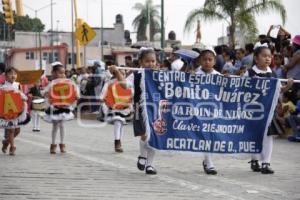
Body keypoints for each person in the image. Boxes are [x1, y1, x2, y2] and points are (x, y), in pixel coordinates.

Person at [244, 45, 293, 174]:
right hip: (253, 110)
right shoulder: (249, 73)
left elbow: (279, 90)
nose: (268, 59)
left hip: (269, 110)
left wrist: (288, 86)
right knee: (254, 136)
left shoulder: (273, 73)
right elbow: (240, 90)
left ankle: (266, 163)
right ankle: (255, 160)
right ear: (256, 58)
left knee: (268, 136)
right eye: (264, 56)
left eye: (269, 56)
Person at [108, 48, 158, 175]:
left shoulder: (160, 75)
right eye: (147, 61)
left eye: (153, 61)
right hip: (140, 108)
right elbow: (124, 85)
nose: (151, 64)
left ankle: (150, 164)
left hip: (156, 109)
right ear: (140, 62)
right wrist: (117, 71)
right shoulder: (136, 75)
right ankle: (142, 155)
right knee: (144, 135)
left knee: (155, 137)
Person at [193, 48, 220, 175]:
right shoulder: (194, 75)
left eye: (210, 59)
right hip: (198, 111)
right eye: (204, 59)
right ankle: (209, 163)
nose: (207, 62)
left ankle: (207, 160)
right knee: (205, 136)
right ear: (200, 61)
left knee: (211, 137)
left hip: (214, 111)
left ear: (214, 61)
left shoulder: (218, 76)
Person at [43, 62, 78, 154]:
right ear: (53, 73)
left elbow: (74, 89)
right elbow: (45, 92)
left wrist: (76, 95)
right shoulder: (52, 83)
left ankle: (62, 144)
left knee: (61, 125)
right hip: (55, 107)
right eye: (60, 73)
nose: (63, 75)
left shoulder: (69, 82)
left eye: (64, 73)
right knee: (55, 126)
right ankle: (53, 144)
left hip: (64, 106)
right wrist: (46, 94)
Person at [100, 70, 133, 153]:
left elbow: (132, 95)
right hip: (113, 108)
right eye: (120, 73)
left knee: (121, 124)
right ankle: (117, 142)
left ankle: (119, 141)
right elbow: (103, 96)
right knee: (118, 122)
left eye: (123, 74)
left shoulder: (128, 84)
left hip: (125, 108)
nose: (122, 75)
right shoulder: (110, 84)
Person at [1, 67, 29, 155]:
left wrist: (23, 99)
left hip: (17, 111)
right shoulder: (2, 87)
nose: (13, 75)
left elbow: (22, 96)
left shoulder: (18, 85)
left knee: (17, 130)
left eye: (14, 74)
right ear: (5, 76)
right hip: (7, 112)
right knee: (11, 130)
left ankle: (6, 142)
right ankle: (12, 147)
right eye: (10, 74)